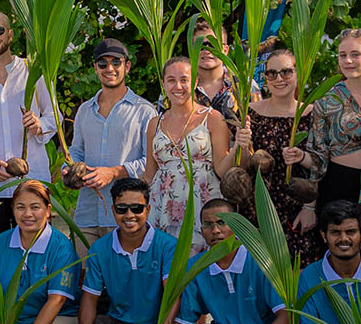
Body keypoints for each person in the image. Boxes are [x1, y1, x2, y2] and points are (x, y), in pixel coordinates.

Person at [0, 11, 57, 257]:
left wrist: (38, 125)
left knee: (37, 256)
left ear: (10, 34)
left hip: (32, 181)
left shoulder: (34, 72)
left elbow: (53, 118)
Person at [290, 28, 361, 261]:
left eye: (355, 54)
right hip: (341, 184)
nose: (348, 60)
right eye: (342, 55)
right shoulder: (327, 101)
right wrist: (309, 207)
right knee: (342, 256)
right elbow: (317, 155)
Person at [66, 38, 159, 241]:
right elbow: (77, 151)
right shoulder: (84, 110)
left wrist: (114, 173)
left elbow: (150, 162)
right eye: (103, 63)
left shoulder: (144, 111)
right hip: (87, 213)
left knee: (121, 273)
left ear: (127, 66)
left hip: (126, 216)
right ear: (95, 68)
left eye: (116, 62)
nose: (109, 68)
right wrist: (71, 166)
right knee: (85, 271)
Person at [74, 176, 179, 324]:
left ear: (148, 209)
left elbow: (173, 294)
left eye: (137, 208)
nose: (129, 215)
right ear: (113, 210)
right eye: (122, 209)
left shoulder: (168, 245)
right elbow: (90, 297)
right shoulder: (99, 249)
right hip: (117, 323)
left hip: (156, 323)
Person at [174, 195, 292, 324]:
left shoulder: (261, 260)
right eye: (208, 224)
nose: (215, 230)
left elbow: (286, 316)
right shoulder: (195, 266)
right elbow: (184, 322)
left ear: (236, 226)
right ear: (201, 231)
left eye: (222, 222)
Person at [143, 56, 233, 247]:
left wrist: (240, 146)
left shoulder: (213, 118)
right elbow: (149, 174)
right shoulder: (154, 123)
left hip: (202, 203)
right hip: (163, 205)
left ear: (195, 82)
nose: (178, 86)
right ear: (163, 84)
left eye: (184, 80)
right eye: (171, 80)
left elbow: (222, 170)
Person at [0, 179, 81, 324]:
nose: (27, 214)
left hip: (58, 317)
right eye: (20, 207)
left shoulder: (61, 247)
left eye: (35, 207)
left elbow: (57, 300)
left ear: (48, 211)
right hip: (16, 321)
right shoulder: (0, 243)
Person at [234, 44, 306, 245]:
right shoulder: (250, 113)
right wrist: (241, 146)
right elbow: (241, 168)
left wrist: (310, 208)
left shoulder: (311, 113)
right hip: (258, 207)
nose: (279, 79)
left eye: (286, 72)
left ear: (298, 72)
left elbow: (321, 165)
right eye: (272, 73)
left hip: (298, 209)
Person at [184, 16, 241, 132]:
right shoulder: (178, 87)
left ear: (225, 50)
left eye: (214, 45)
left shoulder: (243, 85)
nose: (207, 50)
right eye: (201, 45)